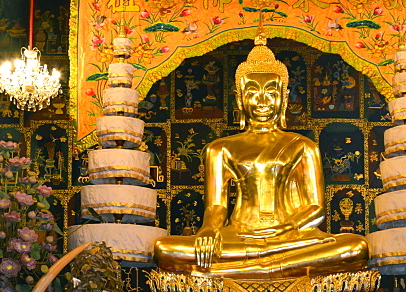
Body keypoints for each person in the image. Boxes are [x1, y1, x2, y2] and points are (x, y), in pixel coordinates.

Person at [153, 35, 369, 277]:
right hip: (238, 236)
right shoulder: (221, 148)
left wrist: (286, 229)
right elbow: (216, 205)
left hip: (292, 237)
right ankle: (270, 267)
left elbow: (316, 208)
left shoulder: (302, 145)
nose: (262, 101)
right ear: (239, 97)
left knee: (354, 247)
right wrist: (207, 230)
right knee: (165, 249)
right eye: (253, 92)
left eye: (271, 92)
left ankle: (251, 269)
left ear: (284, 98)